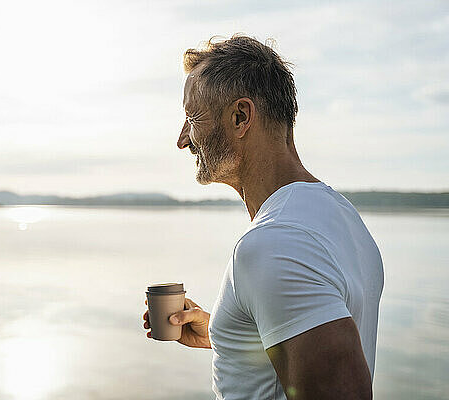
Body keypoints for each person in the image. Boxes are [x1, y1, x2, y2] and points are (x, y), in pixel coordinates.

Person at [142, 35, 384, 400]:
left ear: (240, 117)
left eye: (192, 117)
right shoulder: (340, 216)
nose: (182, 139)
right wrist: (228, 334)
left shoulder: (274, 244)